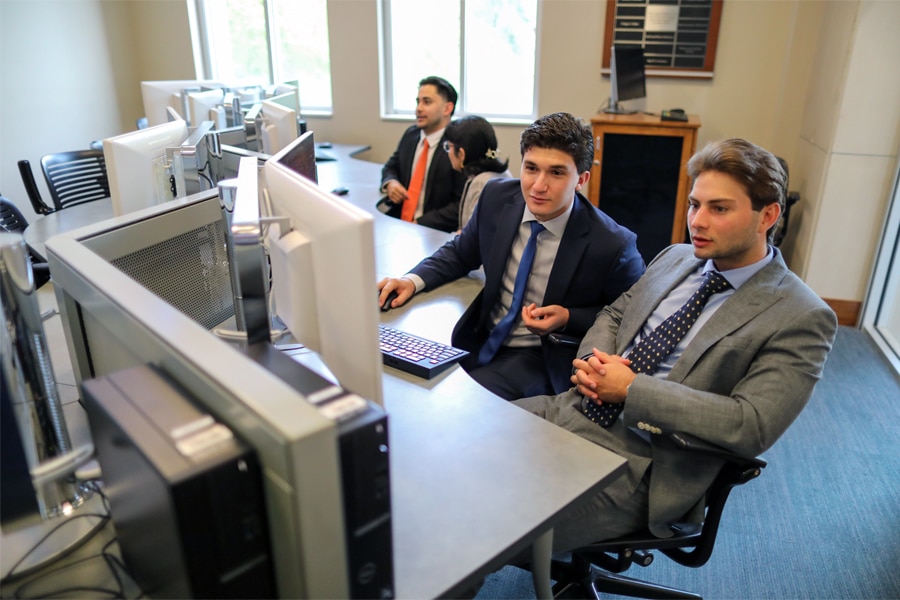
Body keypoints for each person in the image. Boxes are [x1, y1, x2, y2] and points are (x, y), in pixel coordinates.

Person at [513, 138, 839, 553]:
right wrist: (594, 364)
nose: (697, 222)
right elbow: (615, 314)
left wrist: (632, 390)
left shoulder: (801, 314)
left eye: (719, 209)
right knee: (454, 454)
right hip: (571, 409)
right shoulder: (676, 257)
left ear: (768, 216)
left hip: (644, 463)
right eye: (694, 205)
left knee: (489, 520)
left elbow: (751, 424)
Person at [377, 112, 645, 400]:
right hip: (479, 337)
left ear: (581, 179)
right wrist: (412, 280)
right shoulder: (496, 197)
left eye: (556, 173)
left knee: (463, 401)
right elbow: (460, 253)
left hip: (538, 356)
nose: (538, 185)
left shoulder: (613, 244)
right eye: (531, 168)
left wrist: (569, 317)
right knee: (398, 376)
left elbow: (634, 316)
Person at [380, 76, 467, 232]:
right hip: (398, 223)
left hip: (433, 230)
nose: (418, 109)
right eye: (418, 101)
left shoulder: (457, 146)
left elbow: (460, 204)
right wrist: (391, 183)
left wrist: (419, 223)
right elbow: (390, 166)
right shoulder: (411, 135)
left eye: (427, 102)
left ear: (447, 109)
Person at [442, 115, 512, 230]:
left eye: (448, 147)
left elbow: (472, 234)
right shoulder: (505, 173)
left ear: (461, 154)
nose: (448, 153)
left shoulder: (479, 184)